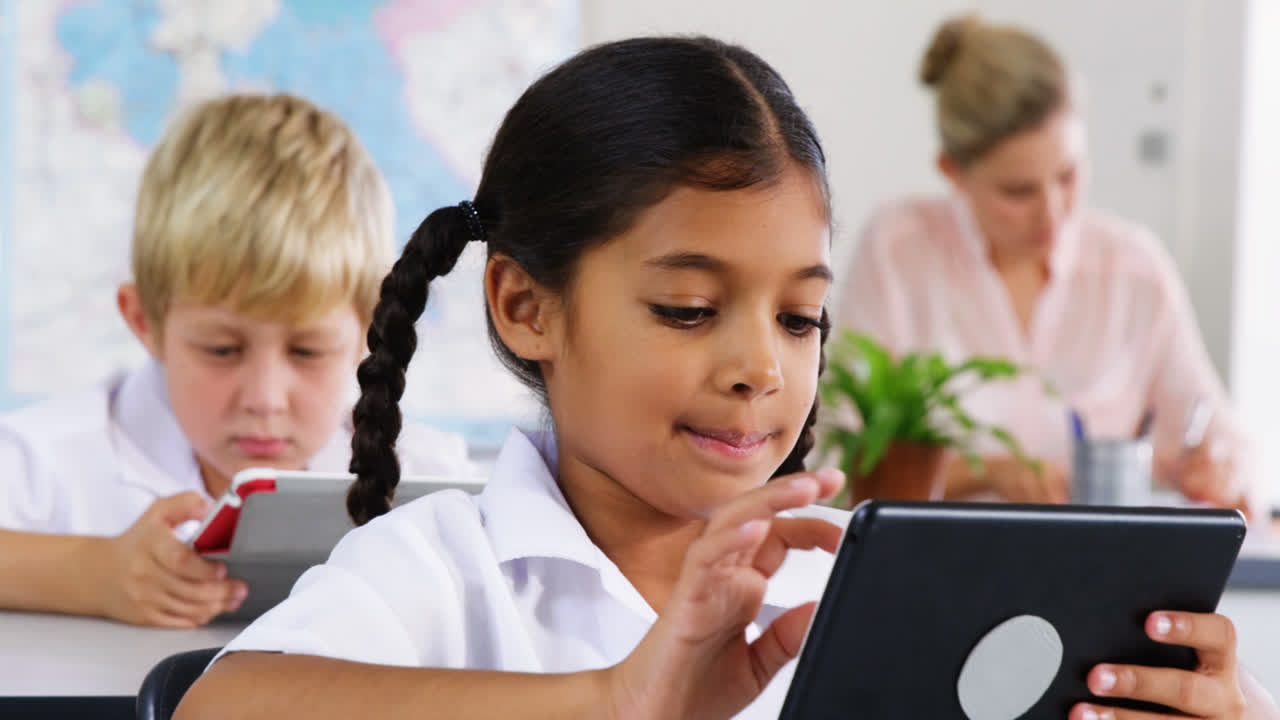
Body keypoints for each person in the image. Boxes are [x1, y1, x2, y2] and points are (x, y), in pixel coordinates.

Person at [178, 38, 1274, 720]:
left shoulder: (853, 580)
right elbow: (221, 708)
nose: (760, 365)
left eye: (799, 316)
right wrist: (616, 701)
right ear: (524, 305)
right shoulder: (444, 571)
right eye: (689, 310)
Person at [0, 93, 470, 627]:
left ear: (370, 328)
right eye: (222, 350)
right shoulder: (41, 462)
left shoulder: (432, 481)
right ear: (144, 322)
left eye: (307, 351)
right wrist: (92, 573)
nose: (265, 399)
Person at [838, 15, 1260, 514]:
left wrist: (1218, 465)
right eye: (1018, 191)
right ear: (953, 172)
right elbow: (840, 456)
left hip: (1105, 576)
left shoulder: (1135, 269)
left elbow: (1229, 448)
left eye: (1068, 174)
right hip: (939, 571)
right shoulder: (898, 250)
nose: (1054, 211)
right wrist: (990, 471)